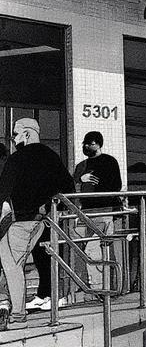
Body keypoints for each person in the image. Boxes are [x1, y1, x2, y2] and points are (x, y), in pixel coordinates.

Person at [0, 118, 74, 330]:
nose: (13, 139)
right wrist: (48, 206)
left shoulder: (17, 159)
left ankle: (17, 314)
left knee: (12, 267)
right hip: (39, 223)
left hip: (17, 223)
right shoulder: (51, 157)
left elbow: (3, 192)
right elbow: (68, 187)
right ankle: (6, 304)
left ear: (27, 134)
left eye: (16, 133)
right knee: (16, 264)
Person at [70, 131, 123, 300]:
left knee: (97, 250)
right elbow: (71, 187)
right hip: (86, 212)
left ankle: (101, 288)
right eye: (85, 144)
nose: (87, 146)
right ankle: (103, 288)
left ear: (99, 144)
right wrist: (81, 180)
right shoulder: (81, 166)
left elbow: (117, 185)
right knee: (96, 251)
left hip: (104, 210)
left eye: (90, 143)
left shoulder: (109, 162)